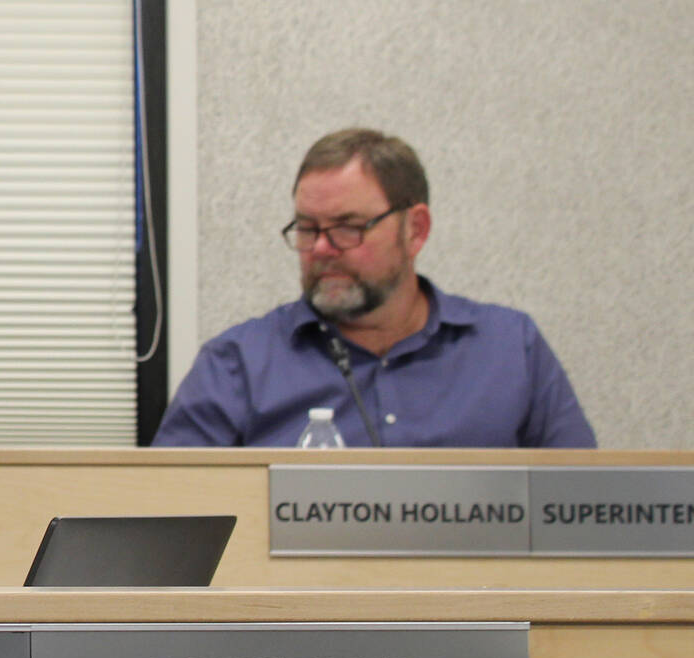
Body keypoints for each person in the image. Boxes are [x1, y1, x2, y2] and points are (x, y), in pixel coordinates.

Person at [153, 128, 595, 448]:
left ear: (415, 230)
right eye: (308, 229)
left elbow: (581, 511)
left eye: (347, 228)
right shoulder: (237, 364)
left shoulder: (510, 348)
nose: (322, 248)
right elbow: (172, 521)